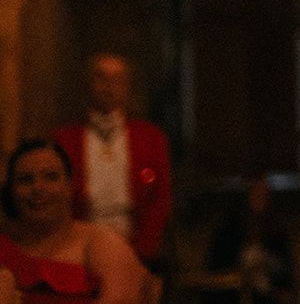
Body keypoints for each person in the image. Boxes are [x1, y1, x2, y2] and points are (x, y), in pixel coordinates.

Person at [49, 54, 171, 267]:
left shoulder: (150, 138)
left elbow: (161, 197)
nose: (109, 86)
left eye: (117, 79)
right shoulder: (65, 139)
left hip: (137, 249)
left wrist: (143, 250)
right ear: (88, 84)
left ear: (127, 86)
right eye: (101, 78)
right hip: (82, 249)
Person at [0, 139, 148, 304]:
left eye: (51, 177)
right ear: (11, 191)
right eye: (26, 180)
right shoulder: (5, 245)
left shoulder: (100, 242)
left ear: (70, 186)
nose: (38, 188)